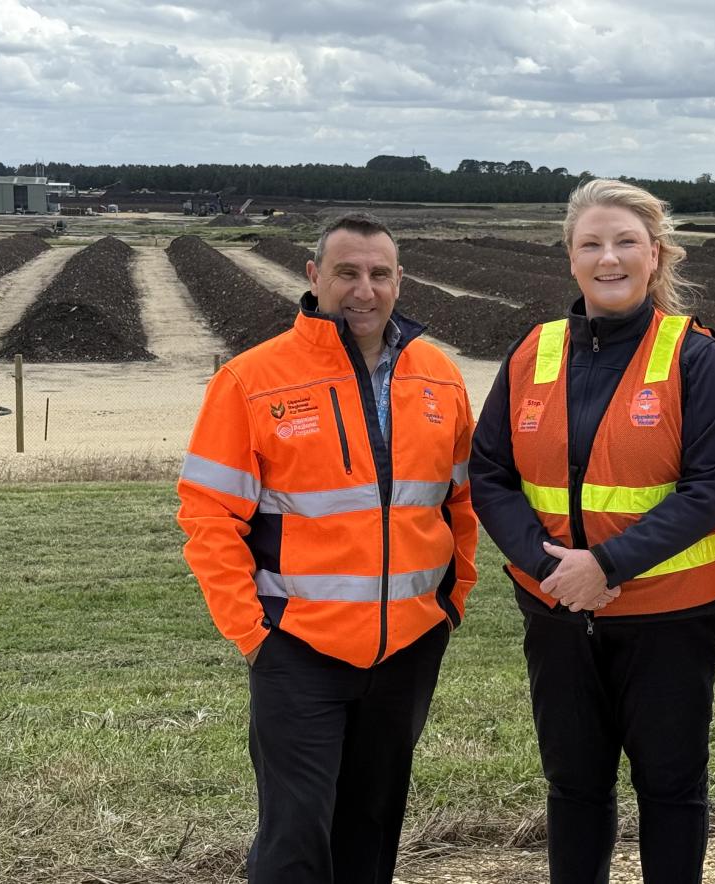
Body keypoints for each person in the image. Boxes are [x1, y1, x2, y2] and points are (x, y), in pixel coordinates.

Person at [176, 212, 477, 884]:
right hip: (297, 649)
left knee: (370, 834)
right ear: (314, 277)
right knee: (295, 840)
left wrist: (450, 601)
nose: (363, 289)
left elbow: (460, 503)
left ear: (400, 281)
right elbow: (207, 513)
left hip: (407, 648)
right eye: (347, 272)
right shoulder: (253, 380)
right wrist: (253, 633)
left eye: (379, 274)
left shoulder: (439, 378)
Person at [470, 178, 715, 883]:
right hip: (557, 613)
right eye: (591, 243)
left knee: (671, 790)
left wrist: (606, 567)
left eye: (626, 242)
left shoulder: (694, 358)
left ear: (656, 256)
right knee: (575, 789)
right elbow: (491, 472)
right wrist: (551, 570)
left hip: (672, 622)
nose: (609, 259)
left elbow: (713, 488)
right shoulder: (534, 351)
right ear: (569, 256)